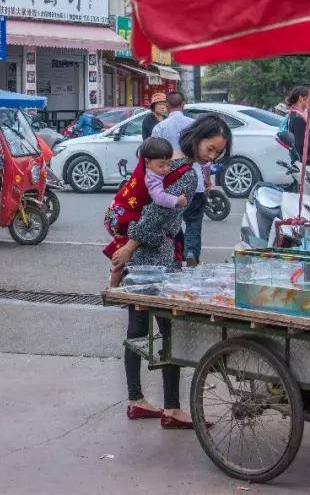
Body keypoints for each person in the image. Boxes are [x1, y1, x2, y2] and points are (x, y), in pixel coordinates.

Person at [112, 115, 231, 428]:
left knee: (136, 330)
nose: (211, 156)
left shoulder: (164, 161)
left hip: (139, 258)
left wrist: (128, 246)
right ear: (197, 137)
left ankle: (136, 400)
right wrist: (131, 246)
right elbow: (158, 217)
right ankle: (172, 409)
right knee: (169, 333)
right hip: (156, 258)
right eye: (210, 148)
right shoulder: (187, 175)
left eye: (217, 153)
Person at [107, 136, 189, 287]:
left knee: (124, 252)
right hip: (121, 217)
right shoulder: (152, 178)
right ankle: (113, 289)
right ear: (147, 162)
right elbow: (159, 198)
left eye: (169, 164)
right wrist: (177, 200)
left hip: (118, 212)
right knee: (122, 254)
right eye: (161, 165)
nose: (166, 169)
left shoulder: (147, 169)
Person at [152, 92, 208, 266]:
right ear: (183, 105)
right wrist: (207, 178)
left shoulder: (160, 128)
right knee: (193, 222)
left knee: (171, 222)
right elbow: (205, 156)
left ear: (167, 106)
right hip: (195, 181)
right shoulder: (195, 126)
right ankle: (191, 251)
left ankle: (178, 252)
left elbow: (153, 155)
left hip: (170, 184)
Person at [283, 86, 310, 164]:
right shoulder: (298, 118)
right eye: (309, 99)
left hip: (297, 158)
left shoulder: (293, 113)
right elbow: (301, 144)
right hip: (302, 161)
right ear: (301, 98)